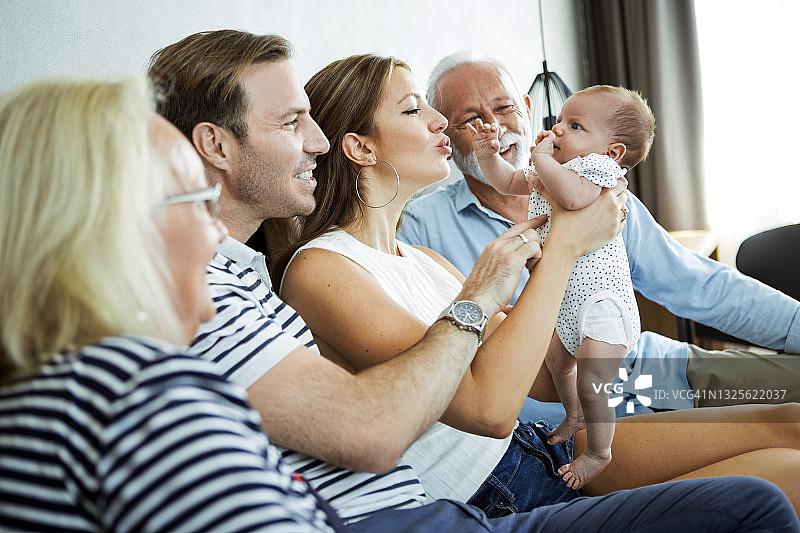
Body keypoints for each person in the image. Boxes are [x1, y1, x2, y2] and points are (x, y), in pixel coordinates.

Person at [144, 29, 800, 531]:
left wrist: (557, 264)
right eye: (423, 112)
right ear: (363, 148)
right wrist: (558, 255)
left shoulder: (425, 260)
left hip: (581, 405)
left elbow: (541, 374)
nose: (455, 127)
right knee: (777, 479)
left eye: (504, 107)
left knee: (791, 424)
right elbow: (485, 404)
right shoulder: (318, 270)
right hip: (520, 456)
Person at [0, 76, 345, 532]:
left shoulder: (36, 388)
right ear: (121, 224)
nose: (219, 231)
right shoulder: (137, 393)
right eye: (202, 201)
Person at [398, 51, 800, 414]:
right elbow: (453, 356)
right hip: (559, 409)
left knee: (790, 385)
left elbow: (700, 285)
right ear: (446, 134)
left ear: (526, 109)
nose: (495, 128)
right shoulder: (420, 225)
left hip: (656, 372)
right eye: (471, 120)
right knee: (773, 443)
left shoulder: (598, 191)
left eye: (504, 108)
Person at [466, 85, 655, 488]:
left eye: (575, 125)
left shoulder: (598, 172)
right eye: (560, 121)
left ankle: (599, 452)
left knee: (591, 380)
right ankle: (574, 415)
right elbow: (508, 182)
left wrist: (540, 158)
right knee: (556, 361)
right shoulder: (553, 170)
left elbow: (571, 199)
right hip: (567, 304)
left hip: (603, 307)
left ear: (613, 151)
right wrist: (488, 155)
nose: (558, 130)